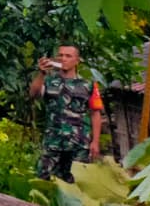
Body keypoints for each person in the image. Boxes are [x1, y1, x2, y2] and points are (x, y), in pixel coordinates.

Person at [30, 45, 104, 182]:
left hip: (79, 143)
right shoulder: (49, 81)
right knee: (43, 179)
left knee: (76, 182)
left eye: (68, 56)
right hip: (53, 141)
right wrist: (41, 73)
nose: (63, 59)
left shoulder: (88, 85)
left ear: (77, 61)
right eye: (61, 55)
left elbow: (95, 113)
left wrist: (95, 142)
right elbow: (33, 94)